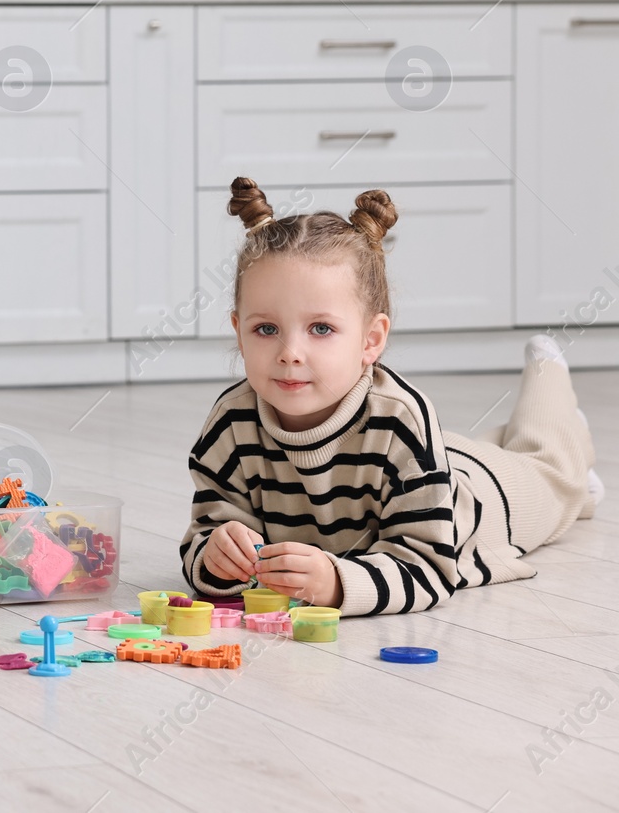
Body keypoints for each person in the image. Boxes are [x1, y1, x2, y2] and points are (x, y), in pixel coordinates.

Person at [179, 177, 603, 615]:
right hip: (430, 463)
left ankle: (549, 376)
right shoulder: (231, 422)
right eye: (266, 329)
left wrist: (339, 584)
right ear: (239, 332)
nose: (289, 354)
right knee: (464, 450)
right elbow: (204, 535)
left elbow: (429, 568)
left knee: (555, 469)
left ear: (371, 339)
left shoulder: (401, 418)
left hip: (479, 505)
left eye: (321, 329)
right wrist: (216, 556)